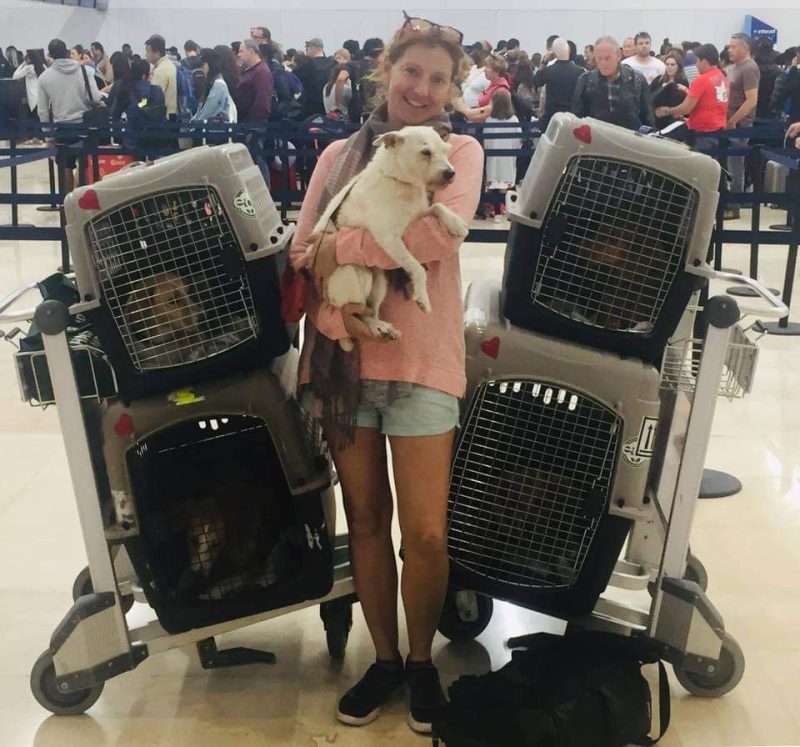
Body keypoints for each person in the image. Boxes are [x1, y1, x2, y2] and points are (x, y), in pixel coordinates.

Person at [289, 12, 482, 734]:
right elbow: (307, 253)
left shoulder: (457, 153)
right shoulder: (337, 156)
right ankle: (386, 658)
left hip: (425, 362)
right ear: (387, 73)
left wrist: (347, 247)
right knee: (367, 520)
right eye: (412, 72)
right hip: (346, 359)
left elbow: (433, 237)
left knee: (426, 532)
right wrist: (337, 269)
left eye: (439, 78)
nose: (423, 88)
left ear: (452, 89)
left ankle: (425, 661)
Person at [37, 38, 102, 193]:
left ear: (51, 55)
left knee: (65, 167)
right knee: (85, 165)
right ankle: (84, 204)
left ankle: (67, 204)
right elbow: (96, 97)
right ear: (67, 52)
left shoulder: (45, 77)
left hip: (62, 129)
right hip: (86, 126)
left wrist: (49, 138)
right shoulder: (85, 71)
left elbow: (43, 111)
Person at [572, 35, 654, 130]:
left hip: (628, 140)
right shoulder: (586, 81)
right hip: (597, 139)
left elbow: (647, 119)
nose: (603, 63)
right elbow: (577, 118)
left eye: (607, 58)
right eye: (599, 58)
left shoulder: (637, 80)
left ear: (619, 55)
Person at [654, 43, 729, 145]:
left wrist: (667, 111)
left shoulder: (701, 80)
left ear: (704, 61)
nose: (695, 65)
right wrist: (688, 92)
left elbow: (686, 108)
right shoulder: (722, 77)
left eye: (697, 61)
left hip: (701, 133)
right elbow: (711, 99)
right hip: (719, 131)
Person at [725, 33, 760, 219]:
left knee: (736, 166)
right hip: (728, 123)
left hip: (740, 125)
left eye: (733, 47)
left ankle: (734, 205)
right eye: (729, 47)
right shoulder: (733, 68)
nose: (730, 50)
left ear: (745, 48)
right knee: (729, 164)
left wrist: (733, 120)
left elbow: (751, 99)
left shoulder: (749, 68)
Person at [110, 57, 166, 148]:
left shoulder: (125, 90)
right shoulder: (157, 91)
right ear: (145, 76)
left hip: (132, 141)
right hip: (156, 139)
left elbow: (115, 114)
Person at [483, 88, 521, 218]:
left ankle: (492, 206)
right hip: (508, 155)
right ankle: (503, 205)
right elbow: (518, 139)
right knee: (505, 178)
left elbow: (486, 141)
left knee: (493, 176)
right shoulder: (514, 119)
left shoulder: (489, 120)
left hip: (493, 155)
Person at [533, 37, 583, 130]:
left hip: (551, 120)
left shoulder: (548, 71)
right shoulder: (580, 72)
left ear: (554, 53)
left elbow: (536, 81)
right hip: (572, 120)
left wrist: (544, 61)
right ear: (568, 50)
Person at [192, 46, 237, 122]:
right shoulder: (213, 84)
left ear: (208, 65)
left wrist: (193, 125)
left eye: (202, 65)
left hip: (214, 131)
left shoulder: (219, 86)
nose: (201, 68)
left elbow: (208, 111)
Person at [294, 36, 334, 119]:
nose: (306, 51)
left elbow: (293, 78)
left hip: (310, 106)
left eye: (307, 48)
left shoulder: (306, 65)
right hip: (328, 106)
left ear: (313, 48)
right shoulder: (333, 64)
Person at [649, 52, 689, 129]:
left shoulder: (683, 83)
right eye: (667, 64)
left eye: (672, 65)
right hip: (655, 117)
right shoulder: (658, 80)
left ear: (678, 67)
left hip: (672, 119)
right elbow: (648, 96)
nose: (669, 67)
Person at [236, 39, 273, 122]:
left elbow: (262, 102)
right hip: (244, 122)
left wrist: (250, 125)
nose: (238, 55)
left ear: (251, 51)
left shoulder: (261, 72)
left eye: (241, 51)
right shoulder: (248, 70)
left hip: (253, 126)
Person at [145, 34, 178, 119]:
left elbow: (153, 98)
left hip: (163, 119)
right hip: (172, 115)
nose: (146, 55)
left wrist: (139, 104)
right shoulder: (170, 65)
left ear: (157, 53)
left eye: (148, 51)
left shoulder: (160, 71)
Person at [12, 48, 45, 121]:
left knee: (35, 120)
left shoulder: (28, 68)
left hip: (34, 98)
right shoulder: (43, 66)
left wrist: (23, 64)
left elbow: (15, 76)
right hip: (43, 97)